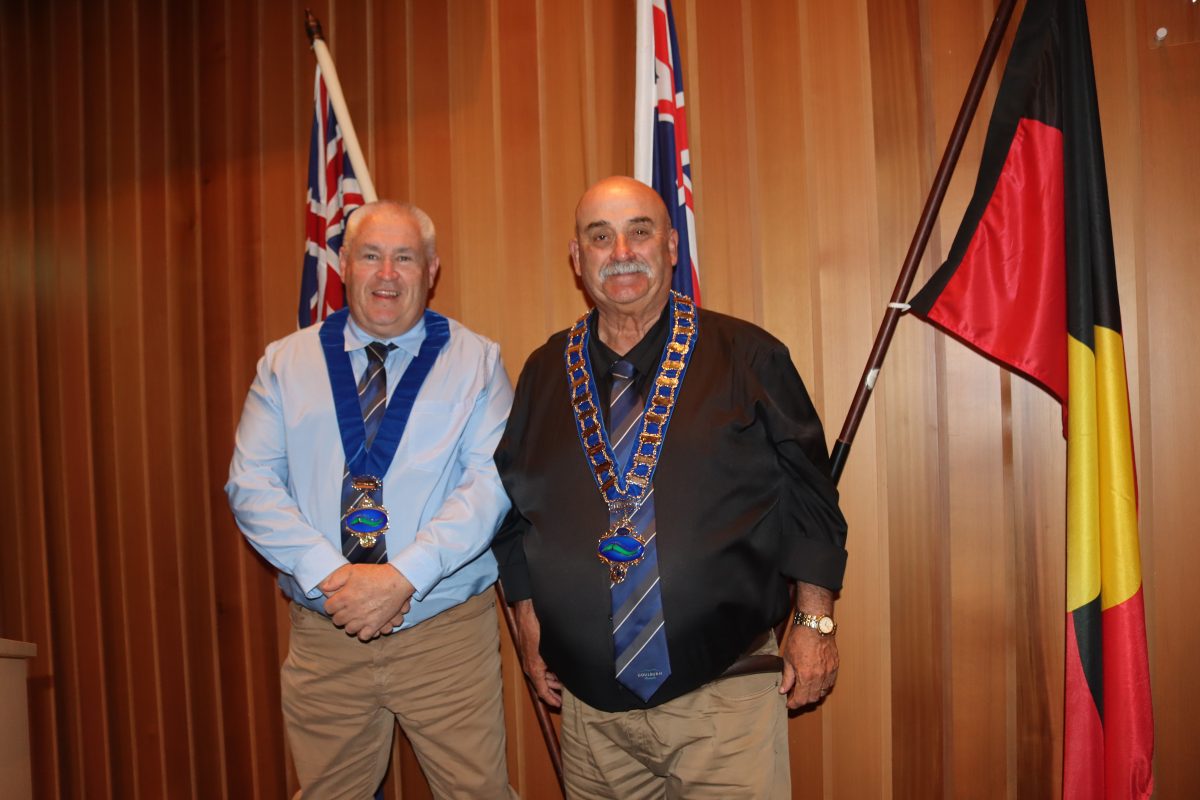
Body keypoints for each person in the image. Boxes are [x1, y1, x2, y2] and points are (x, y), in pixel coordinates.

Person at [492, 176, 848, 798]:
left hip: (724, 701)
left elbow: (810, 498)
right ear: (577, 258)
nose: (621, 251)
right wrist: (524, 614)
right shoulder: (545, 371)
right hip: (590, 716)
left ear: (671, 246)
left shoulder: (749, 356)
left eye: (639, 231)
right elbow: (515, 511)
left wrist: (815, 624)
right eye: (599, 237)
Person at [226, 201, 517, 799]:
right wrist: (334, 576)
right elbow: (251, 484)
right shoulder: (284, 363)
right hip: (325, 631)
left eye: (405, 258)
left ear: (432, 269)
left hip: (443, 634)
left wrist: (401, 578)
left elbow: (490, 484)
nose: (388, 274)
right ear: (344, 265)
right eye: (371, 255)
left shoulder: (477, 362)